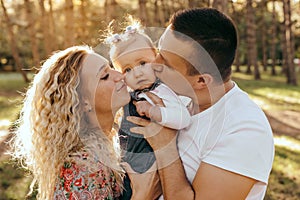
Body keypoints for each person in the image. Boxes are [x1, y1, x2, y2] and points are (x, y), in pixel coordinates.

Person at [127, 8, 275, 199]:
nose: (154, 62)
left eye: (167, 63)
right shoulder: (174, 96)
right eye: (159, 49)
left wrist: (165, 146)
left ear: (201, 81)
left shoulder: (244, 130)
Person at [9, 45, 131, 199]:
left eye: (111, 67)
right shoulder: (85, 169)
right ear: (84, 102)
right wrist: (144, 193)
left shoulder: (107, 144)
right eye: (105, 76)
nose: (120, 75)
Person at [105, 19, 191, 199]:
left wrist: (154, 112)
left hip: (150, 165)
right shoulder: (129, 94)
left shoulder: (162, 91)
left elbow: (183, 118)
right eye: (127, 69)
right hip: (128, 164)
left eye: (143, 63)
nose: (137, 73)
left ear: (156, 59)